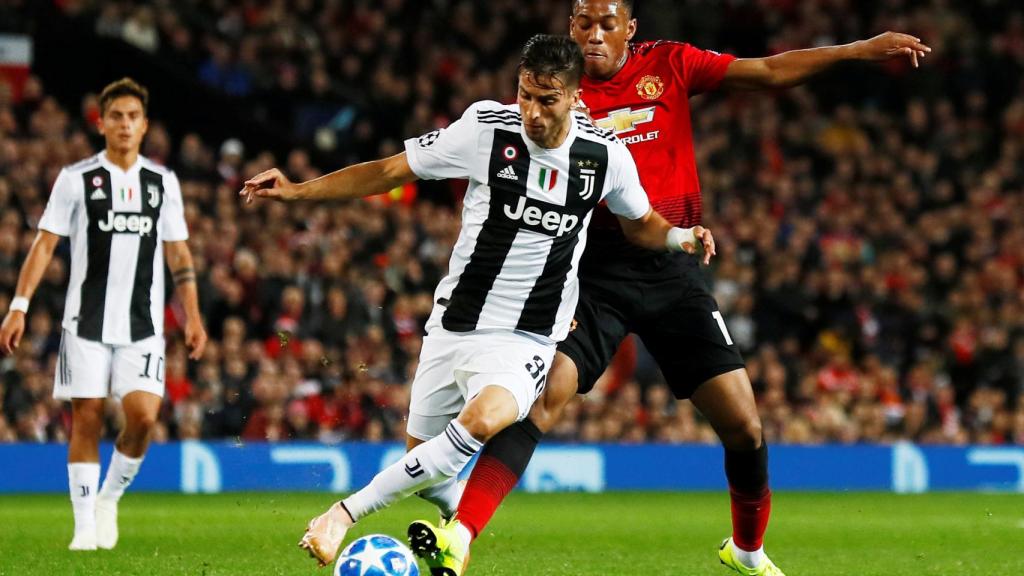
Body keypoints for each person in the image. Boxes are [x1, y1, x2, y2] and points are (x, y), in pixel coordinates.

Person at [422, 2, 933, 575]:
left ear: (629, 30)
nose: (594, 36)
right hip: (589, 275)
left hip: (671, 270)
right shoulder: (551, 94)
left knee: (743, 422)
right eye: (584, 24)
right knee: (541, 401)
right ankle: (459, 535)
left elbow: (765, 72)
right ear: (570, 28)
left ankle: (746, 549)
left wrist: (858, 50)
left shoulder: (669, 65)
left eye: (606, 24)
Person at [239, 34, 714, 570]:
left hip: (528, 336)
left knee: (483, 421)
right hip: (456, 322)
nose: (532, 111)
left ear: (576, 96)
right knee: (424, 460)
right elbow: (392, 170)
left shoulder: (605, 156)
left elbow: (643, 223)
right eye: (525, 94)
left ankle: (341, 516)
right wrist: (300, 190)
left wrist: (682, 238)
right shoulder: (485, 129)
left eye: (547, 99)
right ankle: (454, 535)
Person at [0, 77, 207, 551]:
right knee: (87, 418)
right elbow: (44, 243)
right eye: (116, 116)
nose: (125, 124)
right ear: (101, 123)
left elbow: (179, 255)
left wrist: (192, 317)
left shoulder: (162, 183)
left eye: (133, 116)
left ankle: (109, 497)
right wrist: (19, 306)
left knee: (143, 418)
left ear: (145, 125)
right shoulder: (76, 179)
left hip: (143, 326)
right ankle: (84, 527)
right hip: (85, 323)